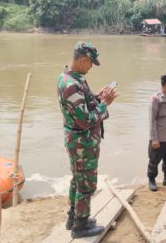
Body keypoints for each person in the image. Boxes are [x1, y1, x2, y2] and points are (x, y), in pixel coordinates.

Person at [57, 42, 118, 238]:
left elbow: (82, 105)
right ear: (83, 60)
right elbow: (85, 121)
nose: (91, 67)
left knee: (77, 179)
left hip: (77, 142)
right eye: (91, 63)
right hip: (82, 143)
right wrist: (105, 105)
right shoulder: (72, 85)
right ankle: (80, 227)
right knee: (86, 184)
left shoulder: (70, 78)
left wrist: (97, 97)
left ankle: (74, 217)